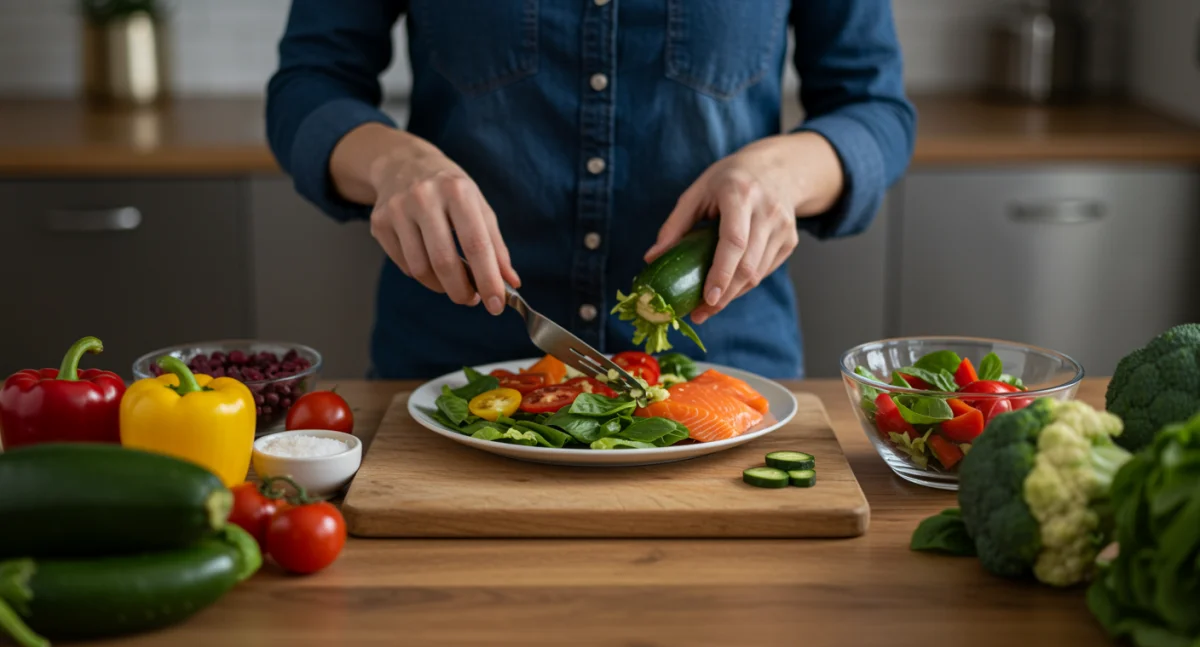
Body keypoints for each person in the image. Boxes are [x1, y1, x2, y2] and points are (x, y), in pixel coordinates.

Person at [266, 2, 916, 380]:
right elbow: (309, 85)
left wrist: (781, 173)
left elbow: (874, 109)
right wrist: (391, 163)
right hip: (449, 370)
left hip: (728, 371)